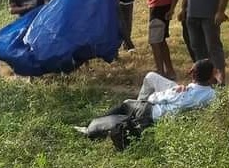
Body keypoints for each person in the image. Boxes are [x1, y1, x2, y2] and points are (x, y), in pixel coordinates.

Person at [75, 59, 216, 149]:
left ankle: (90, 126)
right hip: (167, 113)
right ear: (210, 76)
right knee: (151, 77)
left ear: (193, 75)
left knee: (126, 104)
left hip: (151, 112)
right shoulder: (211, 95)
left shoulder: (180, 92)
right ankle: (134, 108)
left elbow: (154, 99)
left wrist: (172, 90)